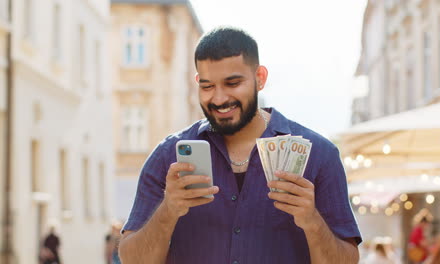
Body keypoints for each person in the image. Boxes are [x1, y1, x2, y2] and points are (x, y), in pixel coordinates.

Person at [118, 26, 361, 264]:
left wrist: (312, 222)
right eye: (207, 86)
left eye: (232, 83)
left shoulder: (319, 155)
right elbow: (132, 259)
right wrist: (168, 211)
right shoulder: (167, 157)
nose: (219, 98)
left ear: (260, 78)